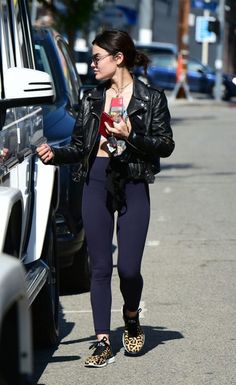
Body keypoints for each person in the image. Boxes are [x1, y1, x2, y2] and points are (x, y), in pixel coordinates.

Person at [36, 29, 175, 368]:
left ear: (119, 58)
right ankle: (101, 341)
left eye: (96, 58)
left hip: (133, 182)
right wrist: (54, 154)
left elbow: (166, 145)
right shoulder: (90, 100)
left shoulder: (151, 98)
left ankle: (130, 316)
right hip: (96, 181)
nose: (92, 65)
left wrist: (133, 134)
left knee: (128, 269)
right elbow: (79, 147)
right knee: (99, 267)